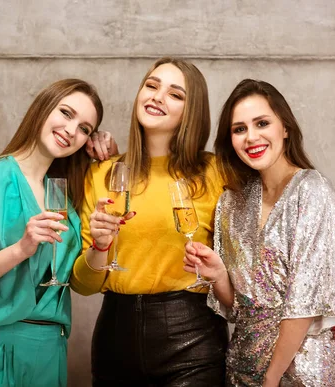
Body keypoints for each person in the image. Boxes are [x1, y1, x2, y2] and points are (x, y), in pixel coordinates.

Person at [183, 79, 335, 386]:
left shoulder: (312, 191)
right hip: (241, 365)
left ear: (285, 128)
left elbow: (303, 304)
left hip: (300, 370)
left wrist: (271, 378)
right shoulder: (231, 202)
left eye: (262, 123)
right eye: (239, 129)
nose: (251, 137)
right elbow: (240, 307)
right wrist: (219, 277)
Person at [0, 78, 115, 387]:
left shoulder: (62, 195)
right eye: (66, 113)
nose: (72, 131)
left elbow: (73, 280)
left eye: (85, 128)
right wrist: (20, 249)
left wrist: (101, 245)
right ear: (43, 108)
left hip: (49, 349)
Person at [70, 57, 230, 386]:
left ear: (192, 112)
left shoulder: (216, 172)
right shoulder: (102, 171)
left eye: (176, 94)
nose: (157, 96)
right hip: (115, 339)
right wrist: (100, 247)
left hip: (193, 338)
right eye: (152, 86)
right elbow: (84, 285)